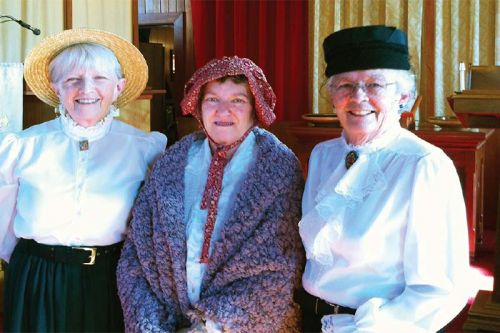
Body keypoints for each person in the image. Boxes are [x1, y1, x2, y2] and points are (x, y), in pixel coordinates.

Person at [297, 25, 470, 333]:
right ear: (332, 95)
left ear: (402, 95)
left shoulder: (424, 166)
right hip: (312, 321)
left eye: (375, 84)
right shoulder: (322, 155)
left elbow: (441, 288)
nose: (358, 97)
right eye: (345, 86)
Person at [117, 56, 305, 333]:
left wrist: (210, 326)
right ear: (199, 108)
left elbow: (280, 267)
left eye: (238, 100)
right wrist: (149, 325)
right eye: (212, 99)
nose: (223, 111)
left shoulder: (278, 167)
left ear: (255, 109)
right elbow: (137, 253)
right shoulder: (171, 163)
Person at [0, 28, 167, 332]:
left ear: (119, 87)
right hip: (37, 278)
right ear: (56, 88)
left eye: (100, 78)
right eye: (72, 79)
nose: (86, 89)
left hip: (111, 281)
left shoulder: (146, 150)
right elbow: (3, 227)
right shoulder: (20, 148)